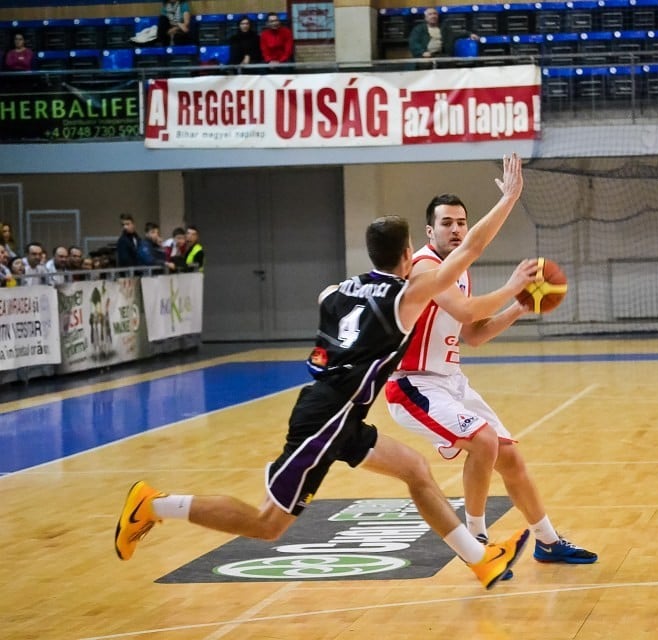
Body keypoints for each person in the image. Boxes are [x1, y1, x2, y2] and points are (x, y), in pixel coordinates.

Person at [115, 154, 530, 590]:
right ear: (409, 254)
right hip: (325, 419)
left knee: (416, 471)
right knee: (267, 523)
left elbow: (328, 301)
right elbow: (472, 249)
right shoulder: (404, 297)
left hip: (341, 413)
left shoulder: (337, 290)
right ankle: (153, 505)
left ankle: (480, 559)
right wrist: (508, 200)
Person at [385, 193, 598, 570]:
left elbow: (474, 334)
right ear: (429, 230)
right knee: (484, 441)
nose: (455, 230)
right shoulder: (422, 267)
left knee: (510, 457)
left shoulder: (459, 272)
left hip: (451, 382)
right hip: (413, 384)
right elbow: (467, 309)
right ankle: (477, 540)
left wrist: (519, 306)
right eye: (447, 223)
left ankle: (548, 542)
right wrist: (512, 286)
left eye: (461, 223)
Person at [408, 7, 478, 59]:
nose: (433, 16)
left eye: (435, 14)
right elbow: (413, 42)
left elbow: (456, 34)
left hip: (442, 56)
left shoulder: (444, 28)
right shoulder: (418, 29)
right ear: (425, 18)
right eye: (430, 14)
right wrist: (422, 52)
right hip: (425, 57)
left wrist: (469, 34)